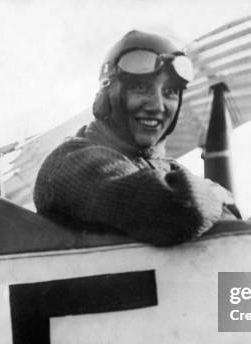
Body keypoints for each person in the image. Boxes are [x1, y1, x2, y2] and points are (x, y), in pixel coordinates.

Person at [34, 30, 239, 246]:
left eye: (170, 92)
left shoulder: (171, 170)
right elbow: (180, 209)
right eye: (140, 87)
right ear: (107, 93)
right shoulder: (70, 164)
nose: (157, 106)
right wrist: (216, 193)